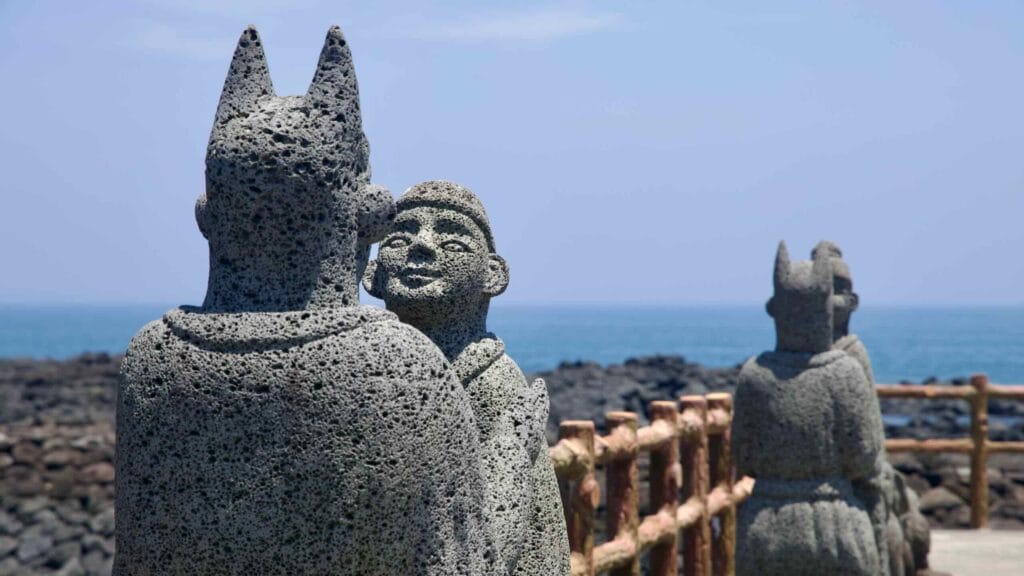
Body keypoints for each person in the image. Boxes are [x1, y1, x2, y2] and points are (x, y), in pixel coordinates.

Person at [364, 180, 570, 576]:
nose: (421, 246)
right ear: (372, 274)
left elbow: (519, 537)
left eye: (455, 243)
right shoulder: (376, 375)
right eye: (397, 238)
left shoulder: (489, 382)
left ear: (492, 274)